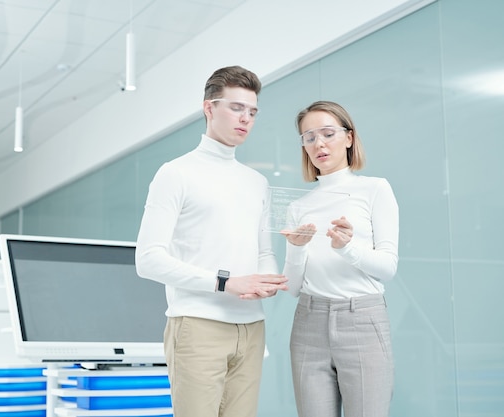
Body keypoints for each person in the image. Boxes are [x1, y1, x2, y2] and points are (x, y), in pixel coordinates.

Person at [135, 65, 289, 417]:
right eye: (236, 108)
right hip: (197, 324)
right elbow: (148, 260)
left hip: (251, 328)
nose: (246, 119)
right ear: (209, 108)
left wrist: (266, 279)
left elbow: (264, 251)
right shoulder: (176, 173)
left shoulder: (256, 182)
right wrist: (226, 283)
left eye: (252, 112)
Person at [281, 100, 398, 417]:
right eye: (309, 137)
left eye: (328, 133)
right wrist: (296, 248)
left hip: (362, 319)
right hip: (308, 323)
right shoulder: (299, 207)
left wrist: (347, 248)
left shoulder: (375, 189)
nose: (318, 143)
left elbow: (387, 268)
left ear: (349, 137)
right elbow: (292, 287)